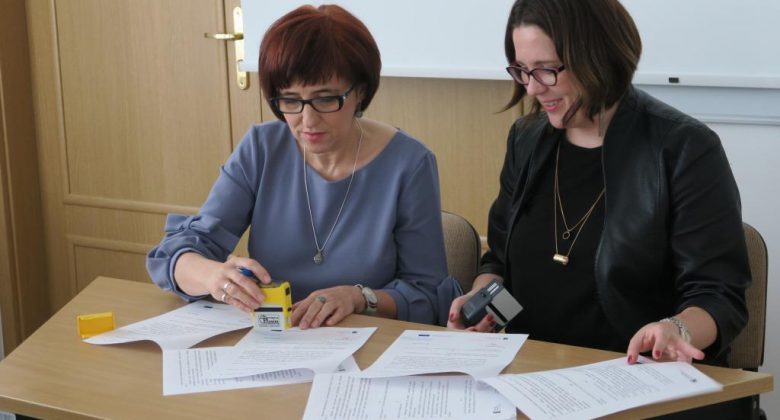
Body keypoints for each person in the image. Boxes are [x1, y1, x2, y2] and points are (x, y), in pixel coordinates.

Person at [449, 0, 749, 371]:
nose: (532, 89)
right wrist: (483, 300)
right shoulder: (526, 140)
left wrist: (676, 330)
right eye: (522, 71)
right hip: (529, 371)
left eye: (546, 70)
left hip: (635, 373)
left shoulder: (683, 148)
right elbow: (500, 261)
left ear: (598, 56)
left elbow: (719, 294)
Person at [147, 4, 456, 329]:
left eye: (325, 99)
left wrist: (359, 298)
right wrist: (213, 276)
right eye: (290, 100)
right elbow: (174, 254)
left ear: (360, 92)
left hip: (368, 342)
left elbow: (427, 294)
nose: (307, 120)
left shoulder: (409, 163)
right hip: (274, 338)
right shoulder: (262, 148)